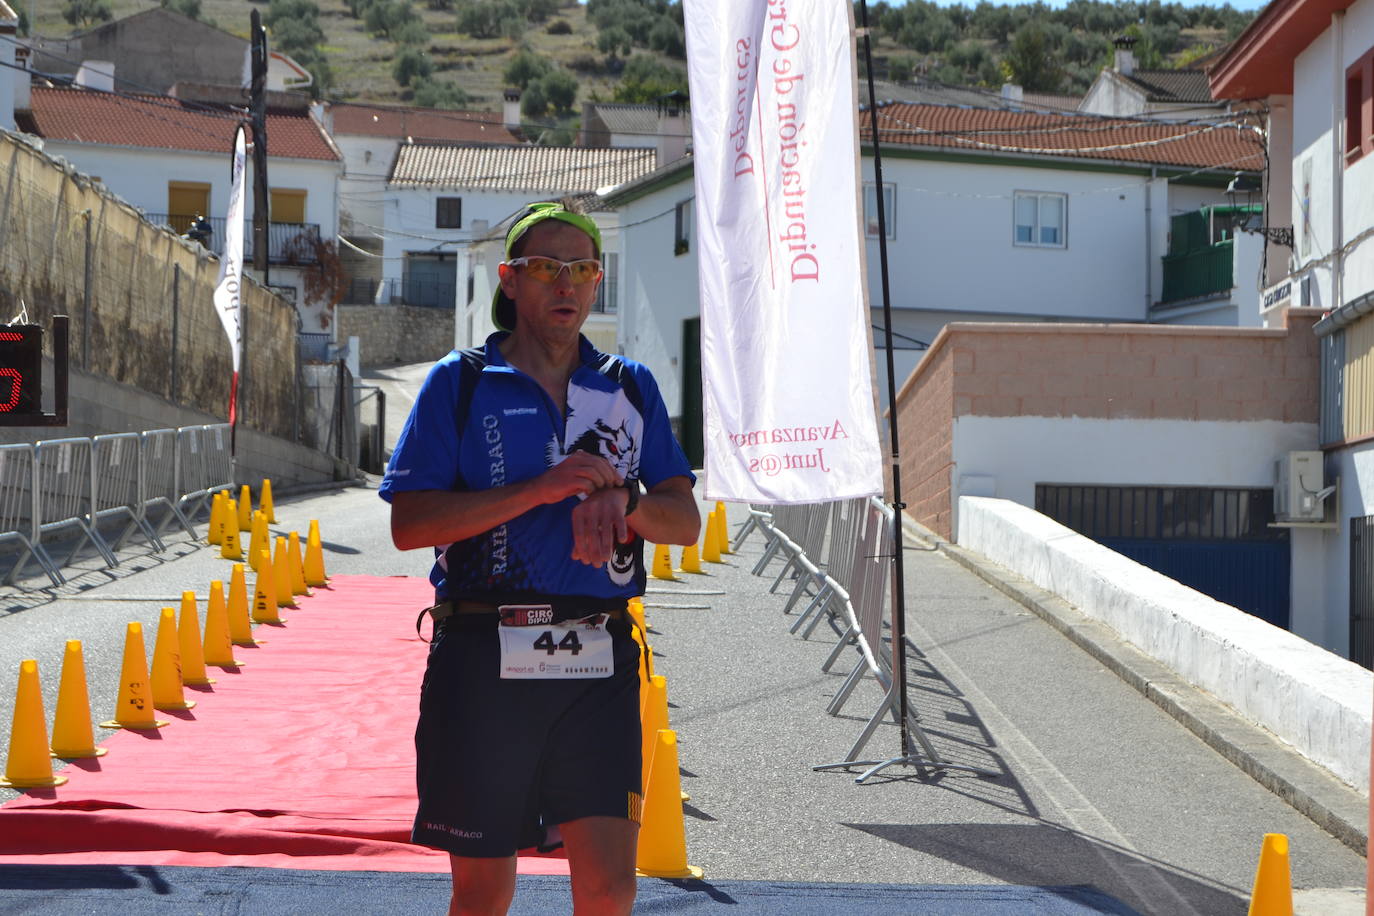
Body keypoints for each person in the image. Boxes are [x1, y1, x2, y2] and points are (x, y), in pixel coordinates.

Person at [379, 199, 701, 916]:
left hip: (598, 658)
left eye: (583, 269)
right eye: (547, 268)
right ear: (510, 280)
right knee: (485, 891)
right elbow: (410, 524)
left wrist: (629, 505)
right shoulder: (459, 383)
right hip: (481, 655)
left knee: (611, 887)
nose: (567, 284)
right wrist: (541, 489)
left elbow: (683, 520)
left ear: (597, 284)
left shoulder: (627, 386)